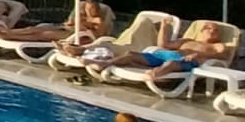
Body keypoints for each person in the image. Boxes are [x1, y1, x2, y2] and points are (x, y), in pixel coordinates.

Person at [96, 18, 231, 78]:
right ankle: (105, 63)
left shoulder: (217, 45)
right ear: (201, 31)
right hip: (167, 55)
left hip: (188, 61)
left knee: (171, 64)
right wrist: (164, 27)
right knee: (130, 54)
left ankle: (154, 74)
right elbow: (164, 45)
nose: (212, 31)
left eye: (215, 30)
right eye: (208, 28)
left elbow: (223, 56)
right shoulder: (187, 40)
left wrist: (200, 55)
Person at [0, 0, 109, 44]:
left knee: (42, 34)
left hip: (75, 36)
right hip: (65, 29)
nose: (89, 10)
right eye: (87, 8)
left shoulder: (98, 20)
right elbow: (69, 23)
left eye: (91, 8)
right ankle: (8, 32)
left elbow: (99, 36)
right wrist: (76, 21)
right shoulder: (84, 17)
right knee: (33, 29)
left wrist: (84, 26)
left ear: (96, 9)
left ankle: (10, 35)